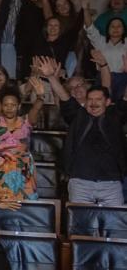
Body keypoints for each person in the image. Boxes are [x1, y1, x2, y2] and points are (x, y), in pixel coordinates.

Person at [41, 61, 127, 205]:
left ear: (107, 102)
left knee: (114, 225)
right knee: (80, 225)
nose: (93, 103)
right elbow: (64, 96)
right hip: (80, 182)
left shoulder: (115, 116)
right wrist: (51, 77)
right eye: (90, 100)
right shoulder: (78, 115)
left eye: (98, 100)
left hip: (111, 183)